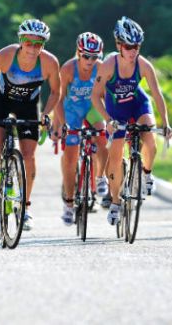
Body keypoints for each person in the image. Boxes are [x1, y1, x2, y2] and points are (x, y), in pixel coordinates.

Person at [0, 19, 62, 232]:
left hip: (28, 105)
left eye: (38, 44)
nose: (33, 48)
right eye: (29, 42)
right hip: (2, 101)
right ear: (21, 41)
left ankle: (25, 206)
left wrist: (45, 114)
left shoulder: (49, 63)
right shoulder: (6, 56)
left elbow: (56, 92)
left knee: (29, 156)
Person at [90, 16, 172, 226]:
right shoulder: (108, 66)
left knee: (150, 137)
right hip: (116, 110)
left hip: (138, 104)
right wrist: (108, 120)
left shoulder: (143, 65)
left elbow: (157, 94)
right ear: (119, 45)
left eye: (136, 46)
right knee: (115, 155)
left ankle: (146, 174)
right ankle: (115, 202)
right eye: (128, 46)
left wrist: (166, 123)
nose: (133, 51)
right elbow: (95, 96)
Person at [53, 32, 108, 226]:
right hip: (72, 111)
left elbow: (106, 95)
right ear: (78, 53)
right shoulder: (68, 69)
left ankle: (100, 177)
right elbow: (58, 98)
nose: (90, 61)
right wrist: (62, 124)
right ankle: (68, 203)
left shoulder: (101, 68)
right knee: (70, 157)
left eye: (94, 57)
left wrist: (111, 119)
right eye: (86, 56)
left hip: (93, 108)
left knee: (102, 136)